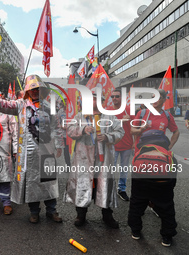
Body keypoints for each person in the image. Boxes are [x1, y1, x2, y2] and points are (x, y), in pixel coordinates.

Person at [0, 75, 64, 223]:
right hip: (29, 153)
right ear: (27, 91)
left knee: (49, 181)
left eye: (37, 89)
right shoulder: (21, 105)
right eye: (31, 89)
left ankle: (52, 211)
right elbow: (4, 105)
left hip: (47, 151)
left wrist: (59, 145)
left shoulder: (49, 105)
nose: (34, 92)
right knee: (32, 182)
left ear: (42, 89)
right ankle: (34, 212)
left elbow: (56, 127)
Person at [64, 88, 124, 228]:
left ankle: (107, 215)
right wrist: (82, 130)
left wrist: (108, 137)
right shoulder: (81, 116)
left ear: (102, 102)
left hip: (104, 160)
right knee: (83, 185)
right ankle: (81, 214)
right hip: (84, 159)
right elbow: (70, 130)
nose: (93, 102)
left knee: (104, 186)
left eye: (97, 99)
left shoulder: (110, 117)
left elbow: (120, 131)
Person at [128, 129, 178, 247]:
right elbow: (172, 178)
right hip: (162, 185)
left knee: (136, 207)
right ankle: (167, 237)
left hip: (140, 184)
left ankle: (135, 231)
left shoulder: (140, 153)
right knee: (167, 210)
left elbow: (134, 177)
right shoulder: (168, 155)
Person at [108, 88, 133, 201]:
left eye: (117, 96)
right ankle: (110, 189)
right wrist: (122, 120)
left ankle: (121, 189)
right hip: (113, 144)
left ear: (121, 98)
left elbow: (134, 127)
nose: (114, 98)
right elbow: (106, 126)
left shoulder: (128, 109)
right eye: (112, 96)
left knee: (124, 168)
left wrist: (135, 143)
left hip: (127, 144)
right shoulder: (108, 110)